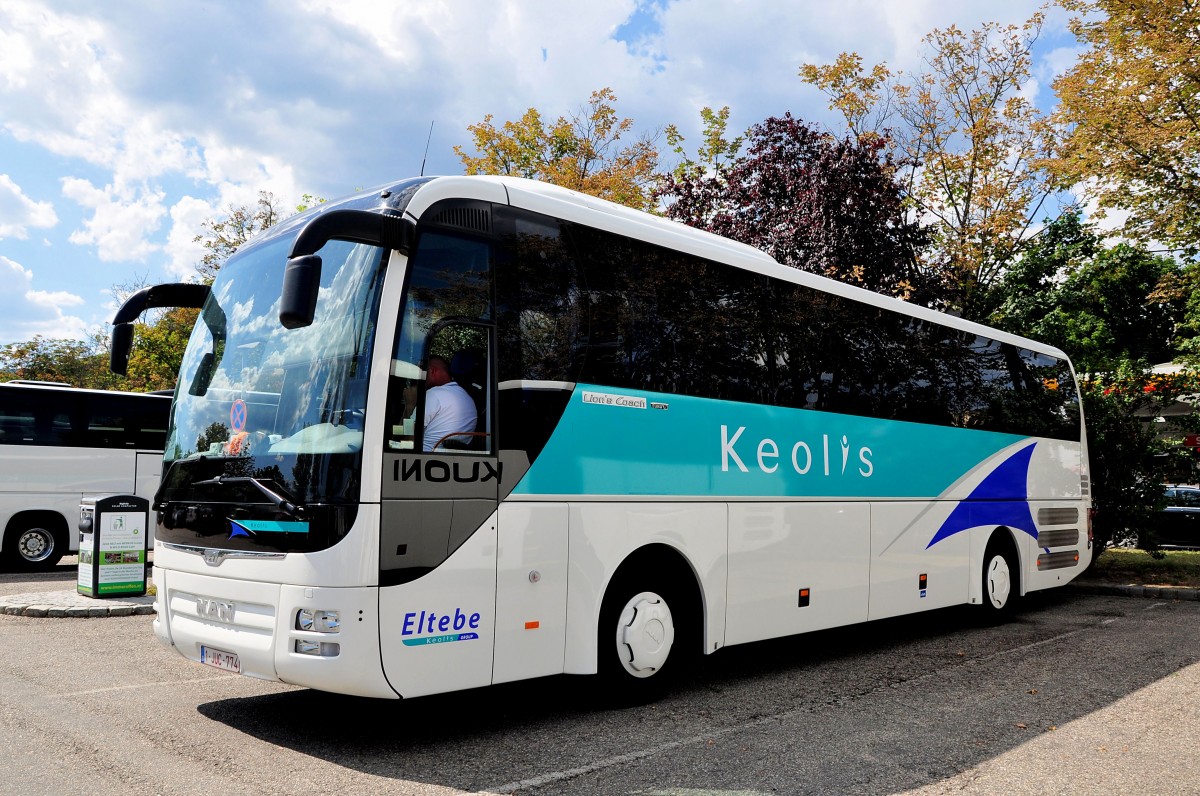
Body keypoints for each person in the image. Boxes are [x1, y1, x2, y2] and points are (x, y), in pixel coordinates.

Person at [420, 355, 477, 451]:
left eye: (423, 372)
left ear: (432, 371)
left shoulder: (433, 394)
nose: (421, 377)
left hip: (422, 457)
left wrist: (409, 405)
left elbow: (408, 435)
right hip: (452, 460)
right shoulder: (468, 399)